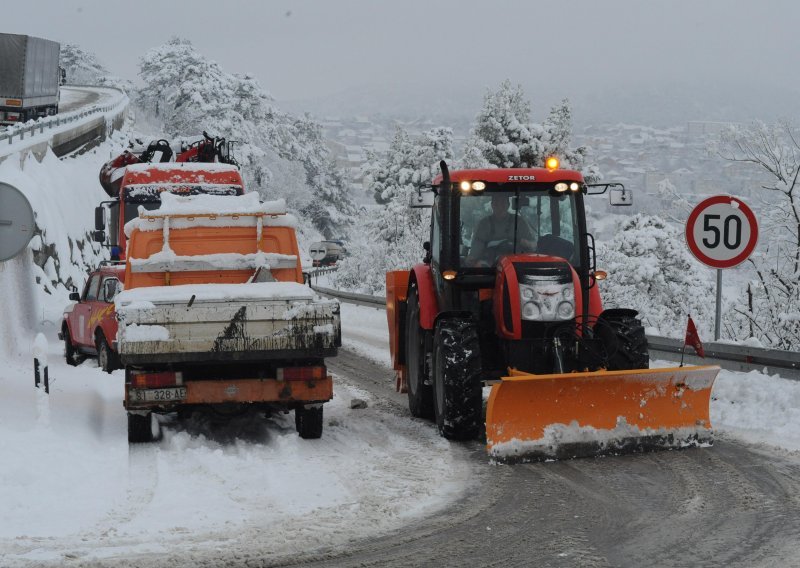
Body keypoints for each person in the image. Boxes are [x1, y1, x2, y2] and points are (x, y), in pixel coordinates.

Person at [467, 194, 536, 267]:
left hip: (516, 266)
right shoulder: (484, 224)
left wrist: (525, 242)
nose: (499, 206)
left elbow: (533, 245)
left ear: (508, 204)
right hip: (490, 268)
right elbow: (477, 246)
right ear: (492, 205)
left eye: (503, 203)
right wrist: (472, 259)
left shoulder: (519, 222)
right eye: (496, 203)